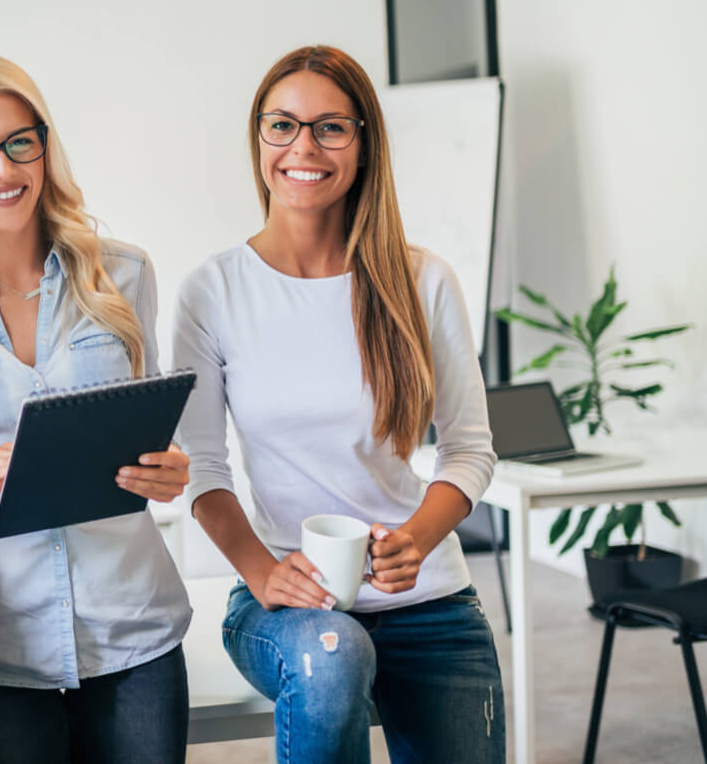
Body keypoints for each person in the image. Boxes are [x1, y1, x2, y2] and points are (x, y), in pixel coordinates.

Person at [172, 45, 504, 763]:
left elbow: (470, 450)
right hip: (289, 606)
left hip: (430, 602)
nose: (303, 147)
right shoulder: (214, 290)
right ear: (258, 137)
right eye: (282, 125)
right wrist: (262, 572)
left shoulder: (423, 281)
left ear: (362, 145)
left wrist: (419, 536)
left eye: (330, 128)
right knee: (332, 658)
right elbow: (202, 466)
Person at [0, 55, 194, 764]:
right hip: (1, 637)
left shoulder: (124, 274)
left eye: (19, 141)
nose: (1, 170)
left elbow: (149, 429)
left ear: (44, 144)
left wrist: (170, 469)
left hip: (133, 624)